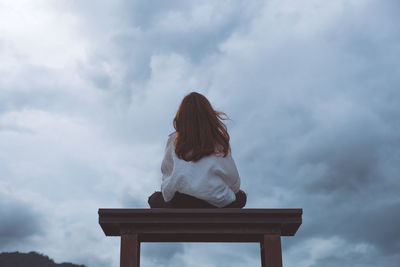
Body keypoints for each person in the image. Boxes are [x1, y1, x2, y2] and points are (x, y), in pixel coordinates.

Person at [148, 92, 246, 208]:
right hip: (214, 203)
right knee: (241, 197)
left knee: (153, 198)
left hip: (181, 202)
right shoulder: (218, 141)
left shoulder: (174, 139)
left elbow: (167, 174)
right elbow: (233, 180)